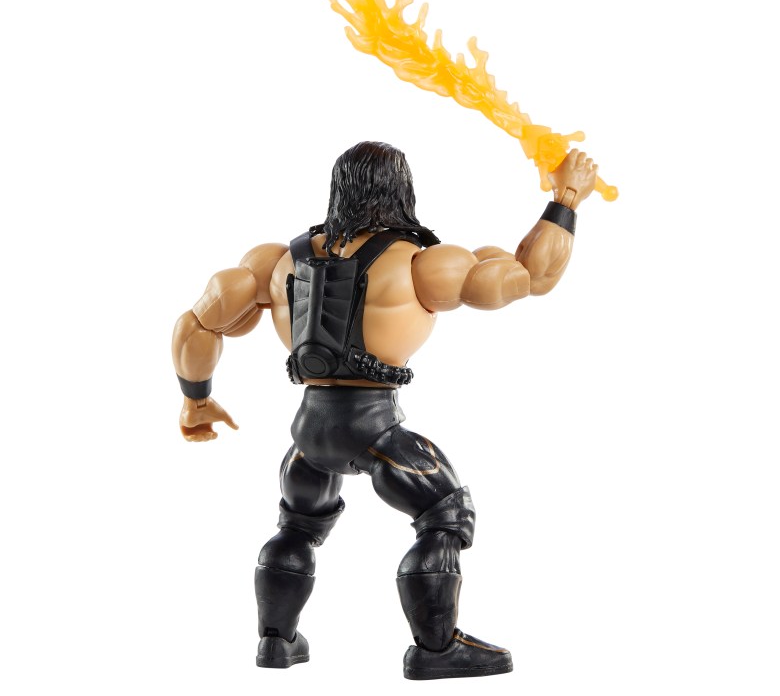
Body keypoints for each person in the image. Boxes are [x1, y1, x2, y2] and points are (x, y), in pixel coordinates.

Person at [171, 140, 598, 679]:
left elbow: (196, 325)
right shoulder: (421, 266)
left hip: (308, 432)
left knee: (297, 525)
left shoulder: (275, 262)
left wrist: (196, 399)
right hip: (373, 429)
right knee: (444, 513)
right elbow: (533, 276)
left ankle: (276, 641)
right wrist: (566, 198)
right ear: (403, 190)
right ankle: (436, 649)